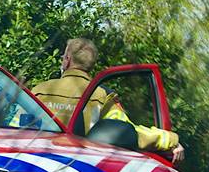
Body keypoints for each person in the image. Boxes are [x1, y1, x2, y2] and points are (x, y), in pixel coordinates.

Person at [31, 38, 185, 163]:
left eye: (63, 57)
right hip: (82, 166)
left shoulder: (40, 90)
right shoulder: (101, 95)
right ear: (91, 65)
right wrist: (169, 139)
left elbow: (16, 127)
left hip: (37, 162)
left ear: (67, 60)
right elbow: (129, 131)